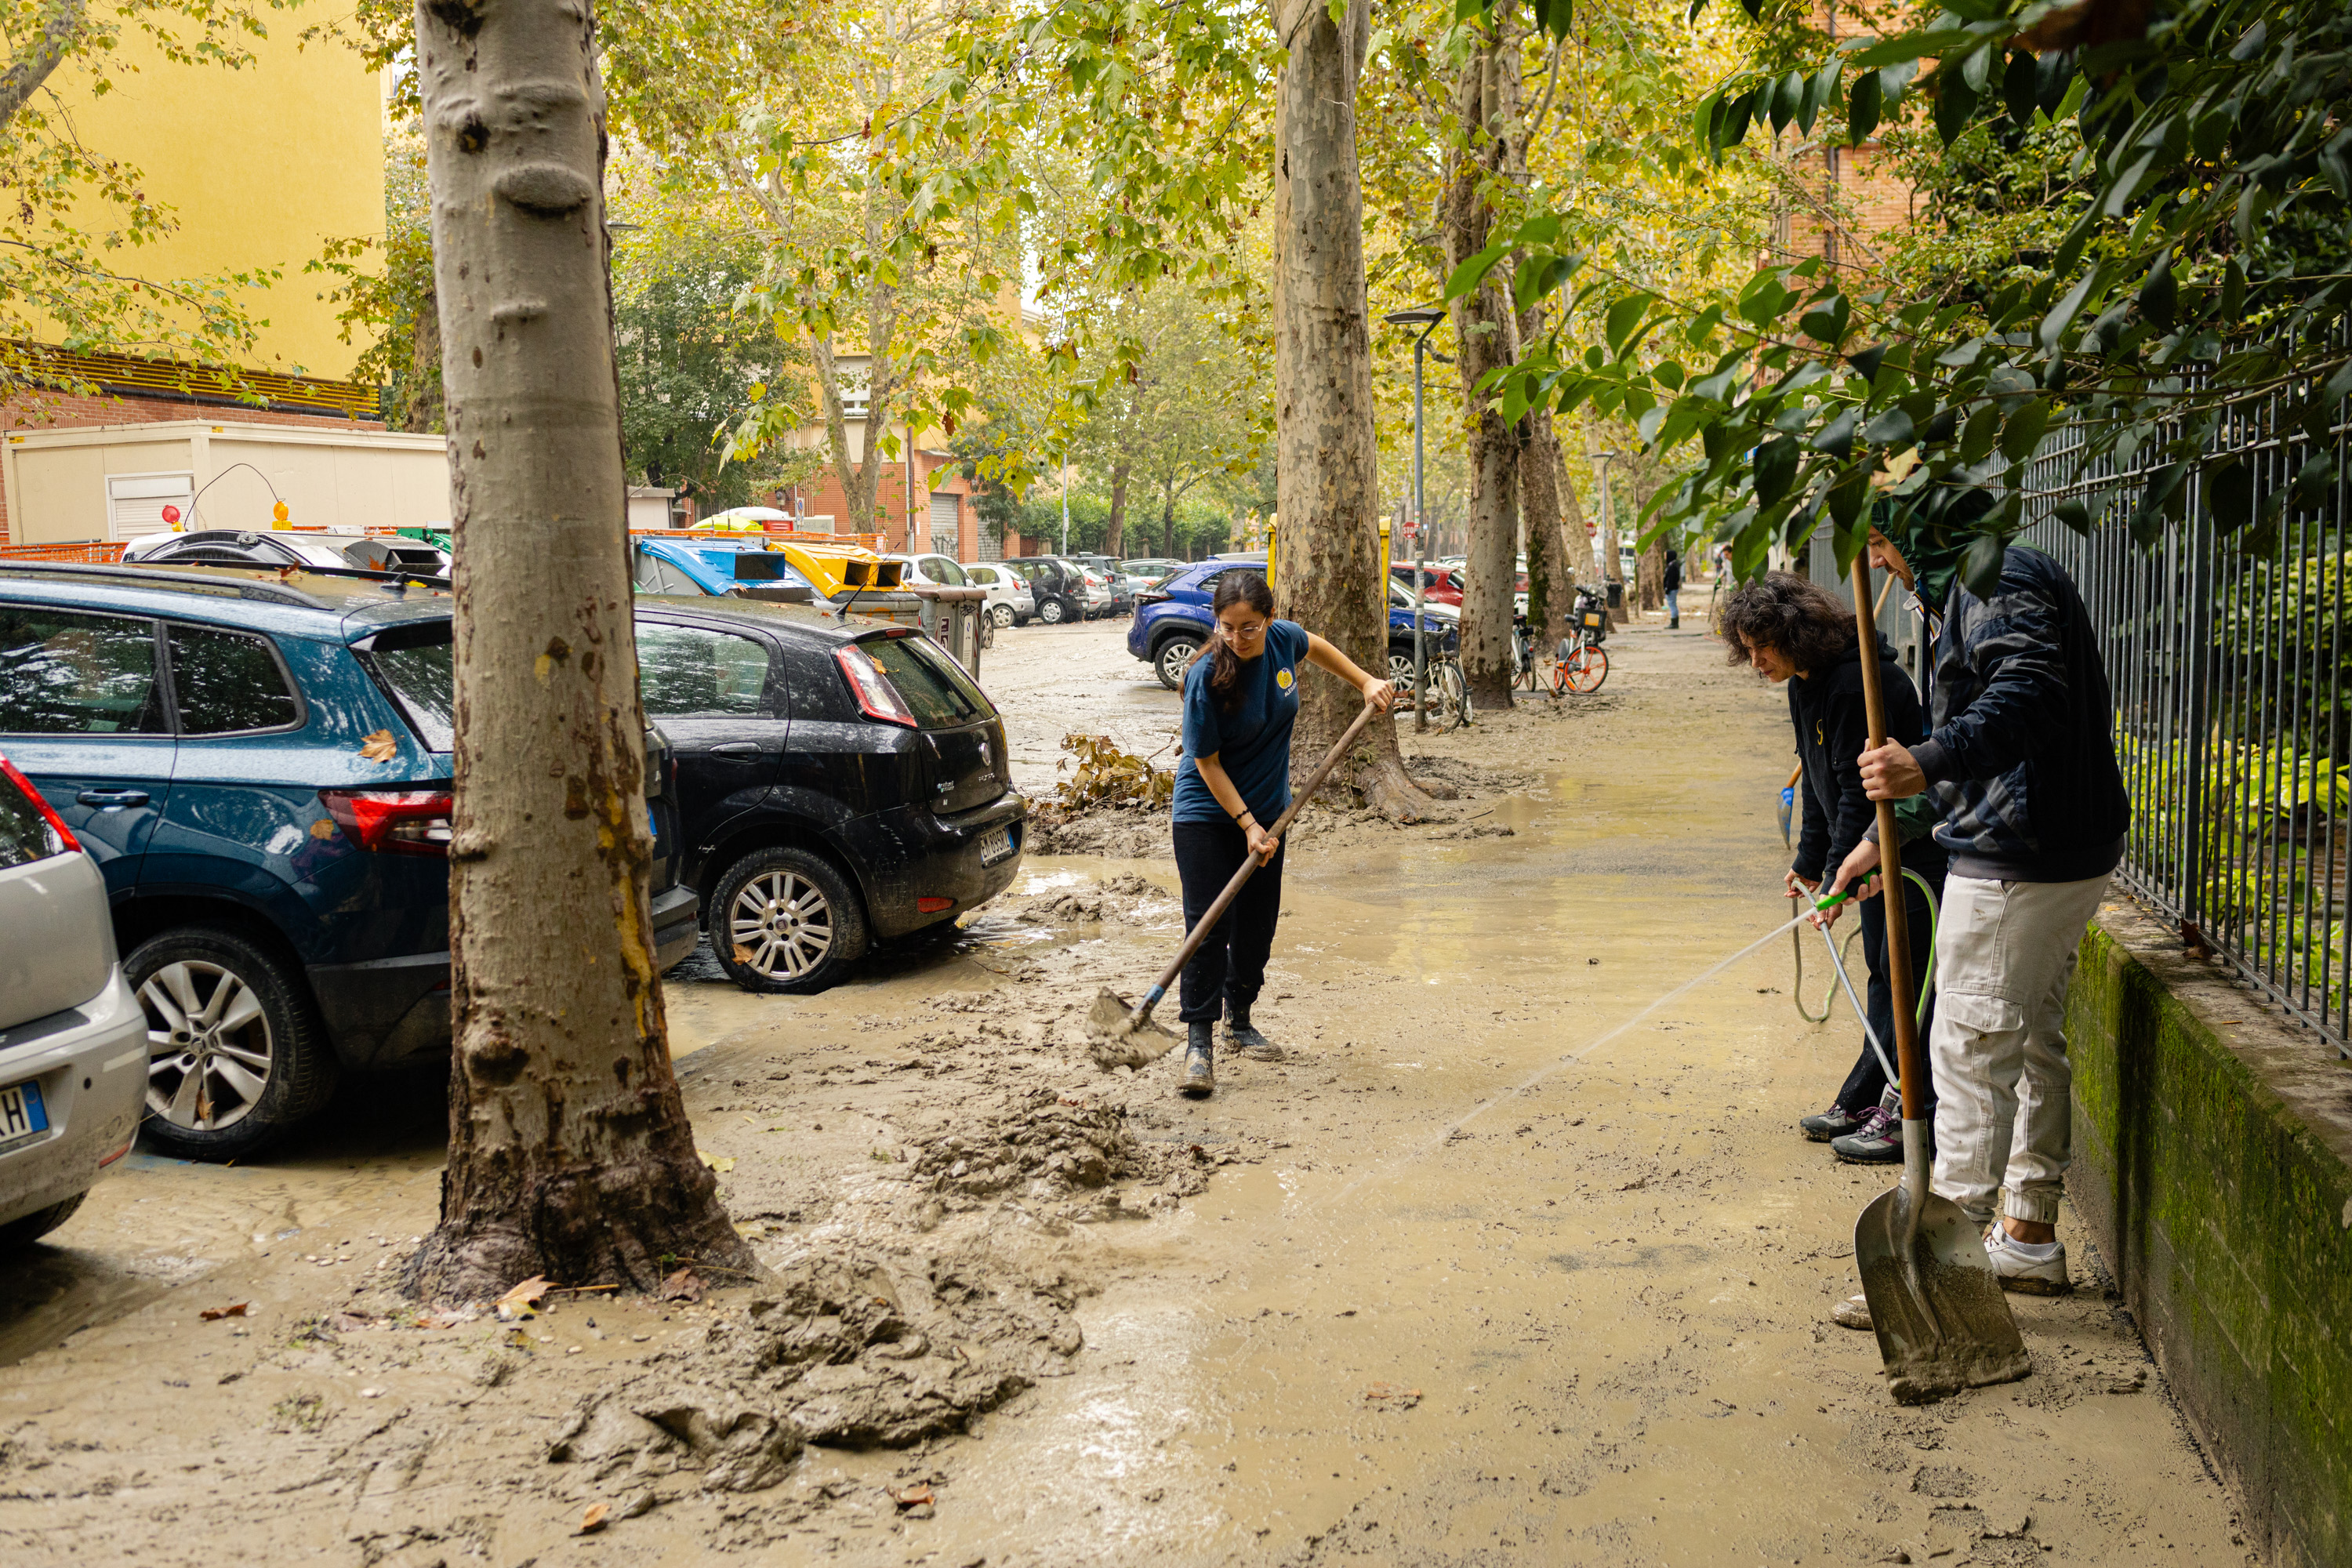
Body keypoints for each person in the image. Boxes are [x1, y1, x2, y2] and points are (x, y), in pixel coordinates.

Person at [1824, 502, 2129, 1303]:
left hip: (2022, 854)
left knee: (1968, 1045)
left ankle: (1939, 1264)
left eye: (1883, 544)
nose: (1883, 565)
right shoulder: (1976, 581)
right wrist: (1881, 839)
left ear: (1916, 529)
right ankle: (2025, 1232)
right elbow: (1985, 736)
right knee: (2029, 1038)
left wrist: (1924, 760)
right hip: (2052, 843)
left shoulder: (1995, 575)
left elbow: (2028, 700)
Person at [1719, 572, 1944, 1163]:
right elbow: (1817, 784)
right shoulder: (1805, 684)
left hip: (1907, 854)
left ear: (1794, 635)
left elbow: (1856, 792)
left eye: (1762, 647)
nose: (1755, 661)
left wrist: (1841, 878)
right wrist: (1810, 864)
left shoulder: (1855, 685)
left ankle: (1913, 1112)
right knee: (1880, 970)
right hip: (1864, 856)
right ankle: (1871, 1091)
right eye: (1746, 649)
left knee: (1912, 982)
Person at [1171, 570, 1395, 1097]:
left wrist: (1364, 681)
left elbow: (1315, 646)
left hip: (1271, 814)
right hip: (1208, 812)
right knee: (1208, 926)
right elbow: (1205, 763)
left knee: (1256, 928)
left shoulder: (1283, 641)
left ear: (1269, 620)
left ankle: (1240, 1018)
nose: (1236, 638)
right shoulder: (1206, 676)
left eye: (1249, 627)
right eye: (1226, 626)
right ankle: (1198, 1044)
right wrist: (1245, 824)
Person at [1662, 546, 1683, 629]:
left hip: (1672, 589)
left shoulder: (1672, 566)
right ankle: (1674, 622)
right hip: (1673, 588)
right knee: (1673, 605)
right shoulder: (1673, 565)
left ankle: (1674, 623)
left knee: (1672, 605)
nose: (1664, 557)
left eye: (1665, 556)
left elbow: (1671, 579)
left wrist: (1667, 588)